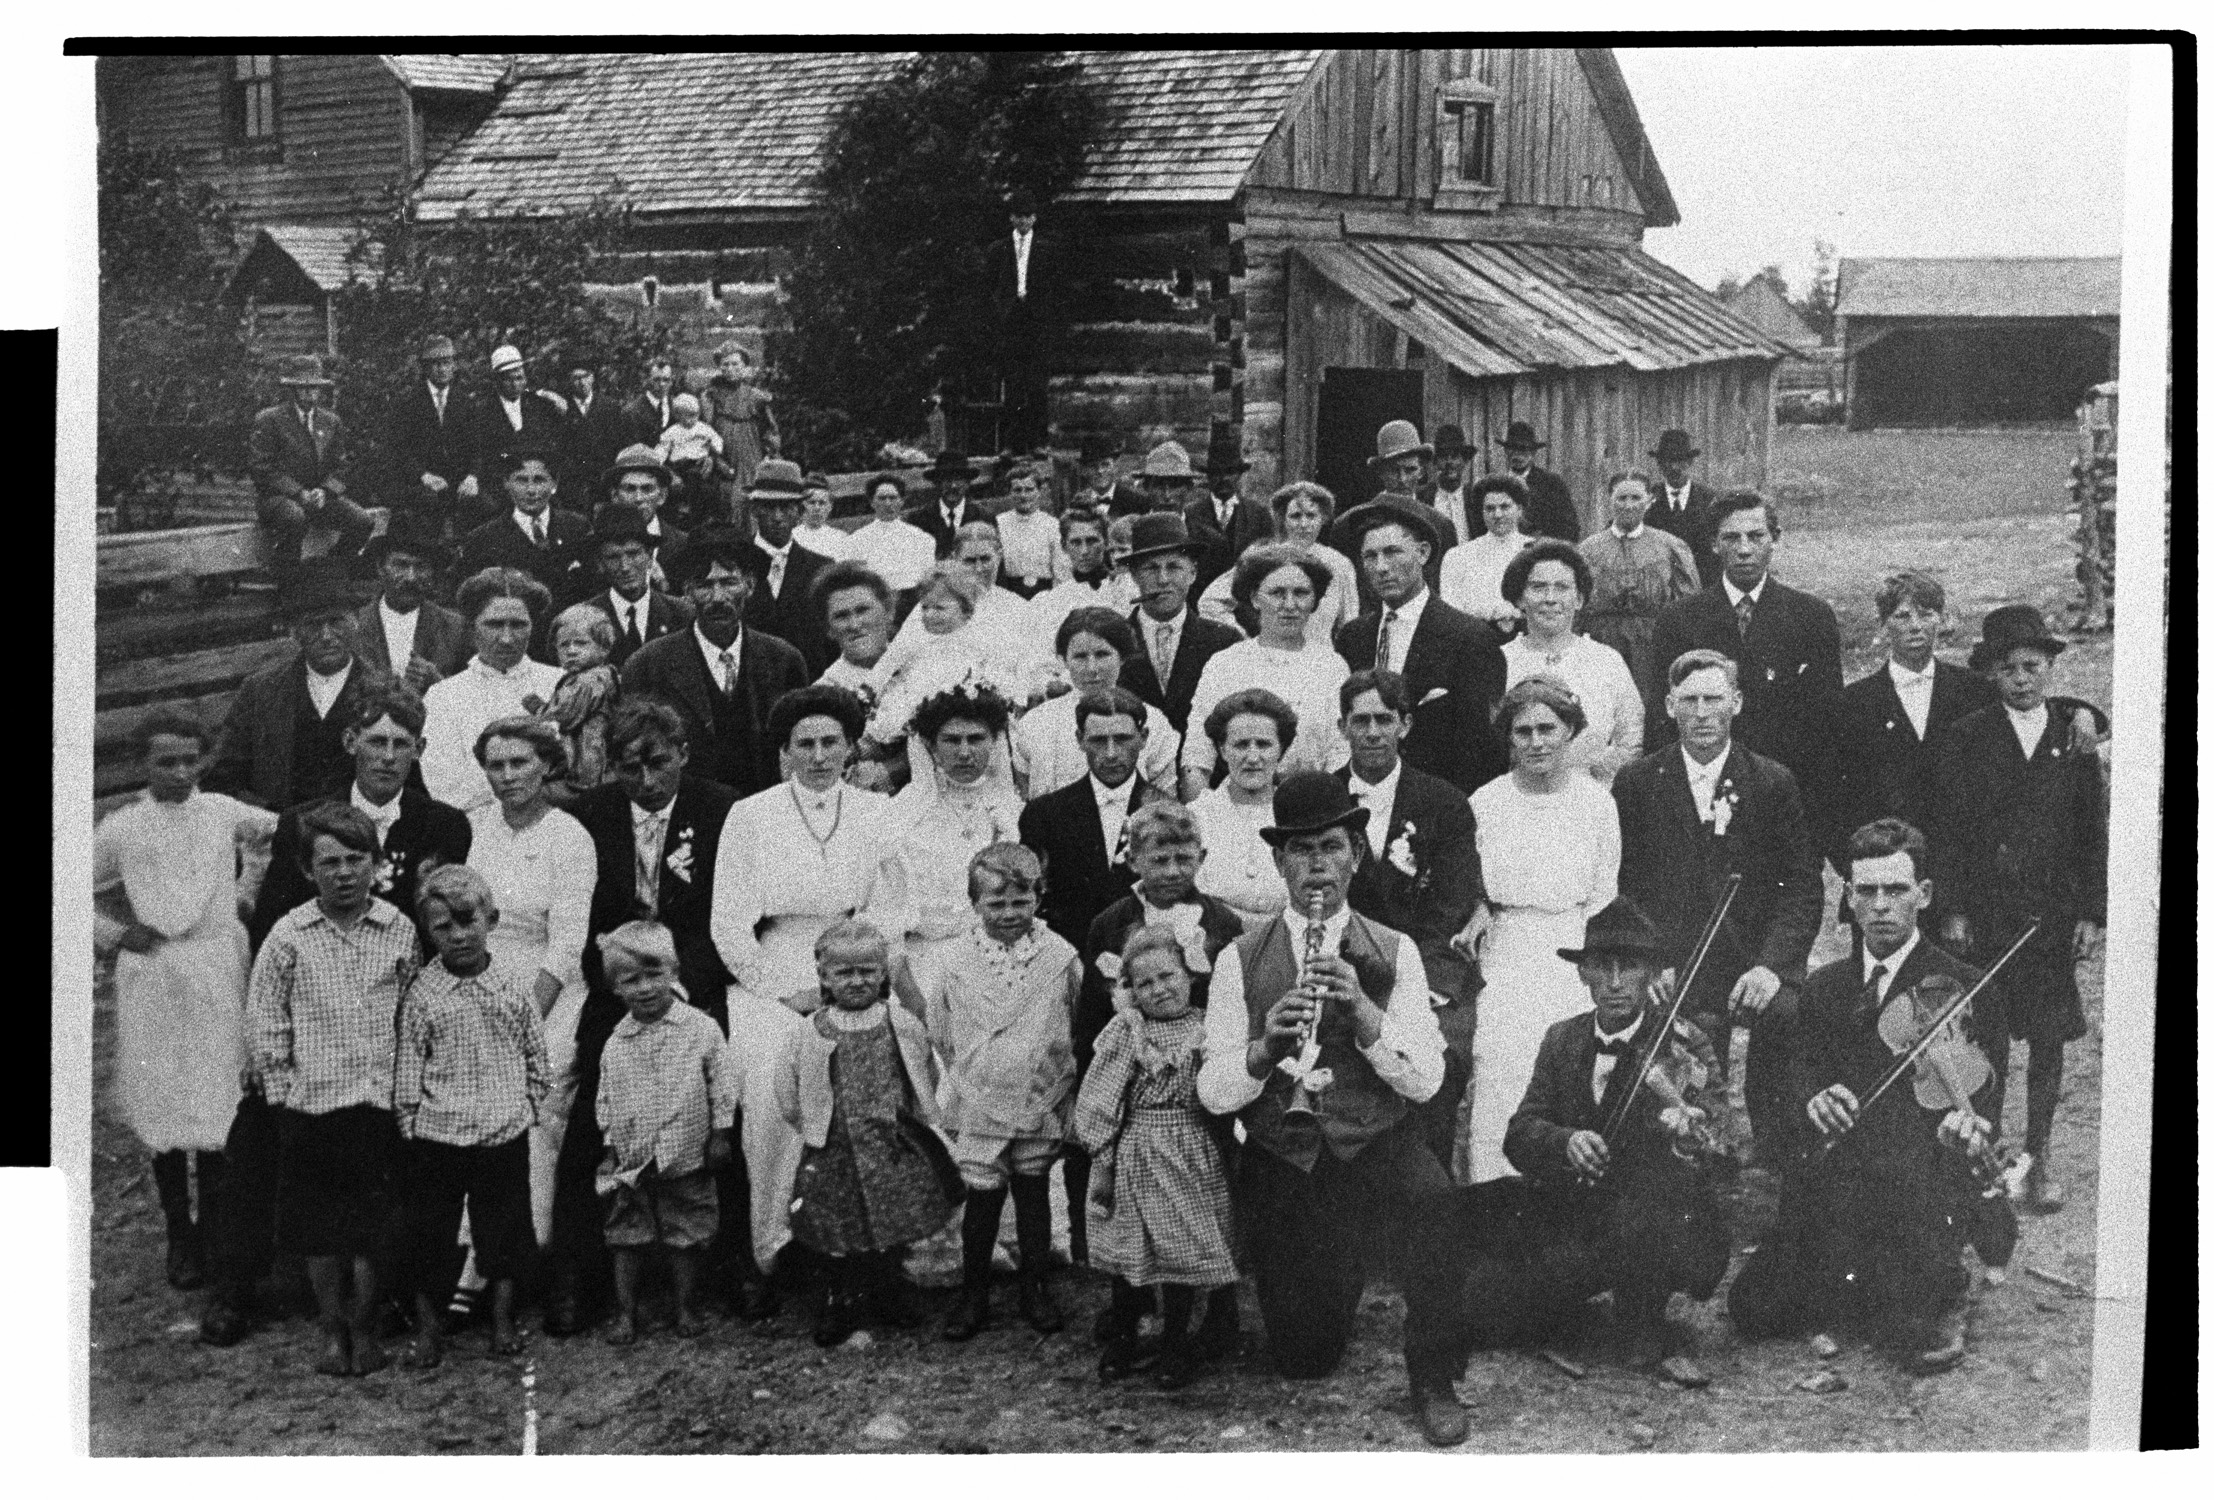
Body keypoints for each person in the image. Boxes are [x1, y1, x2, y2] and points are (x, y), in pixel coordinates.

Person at [1195, 772, 1465, 1446]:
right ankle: (1334, 1270)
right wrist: (1264, 1051)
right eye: (1302, 850)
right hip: (1289, 1153)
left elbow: (1428, 1081)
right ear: (1280, 860)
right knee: (1304, 1359)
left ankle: (1434, 1373)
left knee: (1434, 1202)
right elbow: (1213, 1089)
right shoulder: (1239, 958)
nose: (1318, 865)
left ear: (1354, 855)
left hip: (1372, 1142)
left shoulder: (1394, 949)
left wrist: (1366, 1014)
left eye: (1333, 848)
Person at [1730, 819, 2001, 1373]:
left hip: (1916, 1189)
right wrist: (1813, 1099)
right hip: (1838, 1187)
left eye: (1896, 891)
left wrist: (1964, 1130)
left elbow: (1984, 1105)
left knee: (1906, 1335)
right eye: (1867, 892)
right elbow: (1802, 1076)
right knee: (1752, 1309)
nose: (1881, 906)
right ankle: (1870, 1282)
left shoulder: (1967, 988)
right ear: (1849, 899)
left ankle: (1940, 1279)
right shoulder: (1826, 986)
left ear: (1923, 896)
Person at [1455, 896, 1732, 1383]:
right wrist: (1565, 1142)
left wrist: (1687, 1140)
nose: (1617, 982)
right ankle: (1573, 1305)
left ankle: (1643, 1317)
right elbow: (1520, 1134)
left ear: (1652, 974)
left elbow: (1722, 1147)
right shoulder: (1563, 1039)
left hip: (1658, 1219)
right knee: (1484, 1315)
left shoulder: (1685, 1042)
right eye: (1603, 967)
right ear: (1583, 974)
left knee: (1647, 1220)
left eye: (1631, 967)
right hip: (1580, 1217)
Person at [550, 700, 740, 1334]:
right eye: (628, 767)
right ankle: (582, 1273)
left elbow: (731, 914)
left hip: (692, 979)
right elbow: (578, 915)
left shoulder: (722, 810)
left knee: (714, 1096)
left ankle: (724, 1267)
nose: (646, 780)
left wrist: (682, 983)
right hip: (614, 983)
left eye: (658, 763)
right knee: (587, 1114)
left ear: (683, 753)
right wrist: (621, 979)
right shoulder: (587, 816)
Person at [711, 685, 896, 1300]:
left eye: (831, 743)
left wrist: (861, 971)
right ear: (786, 751)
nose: (819, 756)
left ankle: (879, 1242)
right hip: (777, 967)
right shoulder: (751, 814)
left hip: (860, 963)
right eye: (805, 744)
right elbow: (728, 924)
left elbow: (898, 903)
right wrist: (786, 989)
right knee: (771, 1085)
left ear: (849, 747)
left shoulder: (876, 811)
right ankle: (777, 1242)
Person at [94, 709, 279, 1291]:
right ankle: (181, 1230)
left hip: (218, 963)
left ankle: (221, 1230)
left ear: (204, 759)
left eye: (188, 760)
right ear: (141, 764)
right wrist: (117, 934)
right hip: (154, 972)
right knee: (164, 1095)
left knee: (222, 1091)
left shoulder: (223, 811)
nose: (178, 771)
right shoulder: (122, 827)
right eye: (164, 761)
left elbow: (284, 832)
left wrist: (246, 894)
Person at [1612, 649, 1824, 1153]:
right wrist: (1652, 962)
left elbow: (1800, 886)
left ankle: (1779, 1153)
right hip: (1676, 964)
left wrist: (1772, 966)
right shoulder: (1639, 784)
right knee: (1677, 1045)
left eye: (1714, 698)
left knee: (1789, 1018)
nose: (1702, 712)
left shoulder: (1772, 781)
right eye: (1690, 700)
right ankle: (1698, 1156)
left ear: (1737, 702)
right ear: (1668, 706)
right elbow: (1626, 887)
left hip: (1753, 960)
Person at [1931, 605, 2107, 1213]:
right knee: (1993, 1038)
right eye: (2008, 669)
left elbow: (2091, 829)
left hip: (2051, 917)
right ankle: (1994, 1153)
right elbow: (1949, 831)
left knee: (2050, 1039)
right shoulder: (1970, 737)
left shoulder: (2073, 736)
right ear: (1992, 675)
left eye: (2033, 666)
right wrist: (1952, 908)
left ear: (2052, 667)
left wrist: (2090, 912)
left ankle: (2040, 1153)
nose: (2023, 679)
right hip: (1989, 914)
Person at [245, 802, 420, 1377]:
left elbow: (414, 1012)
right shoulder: (289, 935)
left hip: (376, 1103)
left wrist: (408, 1091)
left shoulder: (398, 929)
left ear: (375, 864)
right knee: (320, 1229)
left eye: (355, 860)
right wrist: (281, 1090)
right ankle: (331, 1328)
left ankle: (365, 1326)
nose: (344, 873)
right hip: (312, 1104)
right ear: (307, 870)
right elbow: (267, 1016)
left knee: (372, 1227)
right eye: (330, 863)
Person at [894, 843, 1082, 1339]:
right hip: (980, 1096)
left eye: (1021, 902)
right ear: (974, 904)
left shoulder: (1061, 958)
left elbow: (1074, 1018)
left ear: (1039, 898)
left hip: (1040, 1096)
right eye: (995, 904)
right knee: (982, 1198)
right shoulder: (956, 960)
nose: (1008, 914)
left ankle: (1035, 1288)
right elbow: (942, 1026)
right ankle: (973, 1293)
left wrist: (1053, 1077)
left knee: (1034, 1192)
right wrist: (975, 1074)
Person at [1450, 676, 1621, 1181]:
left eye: (1548, 728)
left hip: (1574, 947)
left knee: (1571, 1071)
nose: (1537, 742)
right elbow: (1474, 886)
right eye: (1523, 731)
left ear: (1570, 732)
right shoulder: (1486, 802)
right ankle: (1495, 1197)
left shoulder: (1597, 803)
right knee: (1502, 1069)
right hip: (1509, 949)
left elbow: (1604, 895)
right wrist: (1481, 911)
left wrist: (1592, 963)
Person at [1072, 801, 1247, 1270]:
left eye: (1183, 859)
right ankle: (1134, 1292)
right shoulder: (1109, 923)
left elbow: (1231, 1004)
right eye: (1158, 860)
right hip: (1135, 1091)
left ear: (1202, 858)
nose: (1172, 871)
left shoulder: (1222, 925)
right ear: (1133, 861)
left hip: (1199, 1080)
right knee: (1135, 1199)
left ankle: (1211, 1299)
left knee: (1205, 1195)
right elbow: (1091, 1016)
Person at [772, 919, 956, 1347]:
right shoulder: (812, 1029)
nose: (857, 981)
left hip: (888, 1143)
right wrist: (811, 1126)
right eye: (845, 973)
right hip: (835, 1148)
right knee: (838, 1224)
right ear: (824, 977)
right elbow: (788, 1085)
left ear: (882, 973)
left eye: (867, 972)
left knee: (890, 1217)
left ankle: (888, 1291)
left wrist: (915, 1117)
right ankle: (841, 1301)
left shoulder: (899, 1023)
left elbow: (922, 1070)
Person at [393, 863, 550, 1365]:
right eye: (444, 927)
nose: (458, 936)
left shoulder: (511, 987)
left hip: (502, 1129)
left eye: (468, 921)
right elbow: (410, 1061)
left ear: (492, 920)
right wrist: (410, 1119)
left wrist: (528, 1104)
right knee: (431, 1233)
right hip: (439, 1131)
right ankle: (430, 1327)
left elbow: (534, 1054)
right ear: (428, 931)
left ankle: (503, 1319)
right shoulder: (423, 992)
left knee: (503, 1230)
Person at [1075, 924, 1241, 1388]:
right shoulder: (1128, 1032)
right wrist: (1103, 1161)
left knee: (1181, 1251)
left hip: (1191, 1151)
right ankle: (1125, 1336)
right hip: (1137, 1152)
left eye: (1168, 976)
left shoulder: (1208, 1028)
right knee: (1132, 1251)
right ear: (1130, 990)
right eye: (1144, 983)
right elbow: (1101, 1100)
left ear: (1190, 975)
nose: (1159, 989)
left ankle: (1175, 1341)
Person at [1336, 669, 1485, 1163]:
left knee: (1435, 1078)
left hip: (1427, 974)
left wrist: (1411, 983)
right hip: (1346, 971)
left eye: (1384, 719)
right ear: (1343, 727)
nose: (1373, 732)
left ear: (1405, 725)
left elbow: (1453, 902)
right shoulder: (1326, 796)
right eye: (1361, 721)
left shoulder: (1444, 802)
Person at [465, 716, 598, 1252]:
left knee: (536, 1115)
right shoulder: (473, 828)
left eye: (520, 762)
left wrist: (522, 1019)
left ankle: (526, 1247)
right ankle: (471, 1253)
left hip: (550, 989)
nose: (507, 775)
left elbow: (567, 944)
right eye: (495, 765)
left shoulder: (569, 837)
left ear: (546, 765)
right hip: (475, 977)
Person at [1647, 492, 1843, 835]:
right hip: (1701, 796)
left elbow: (1827, 726)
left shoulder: (1811, 617)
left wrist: (1819, 817)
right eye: (1731, 537)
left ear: (1775, 539)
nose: (1744, 549)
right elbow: (1661, 722)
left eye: (1755, 536)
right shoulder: (1679, 620)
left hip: (1784, 799)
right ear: (1713, 544)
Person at [594, 920, 739, 1344]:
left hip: (686, 1152)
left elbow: (722, 1084)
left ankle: (686, 1307)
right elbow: (606, 1098)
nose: (645, 988)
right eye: (631, 980)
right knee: (626, 1233)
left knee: (686, 1232)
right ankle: (626, 1313)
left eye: (654, 974)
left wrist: (720, 1133)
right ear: (616, 988)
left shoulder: (700, 1029)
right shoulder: (616, 1041)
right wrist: (608, 1148)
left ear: (674, 974)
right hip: (632, 1155)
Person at [249, 678, 473, 950]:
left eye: (400, 744)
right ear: (350, 741)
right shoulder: (303, 822)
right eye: (377, 742)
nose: (388, 757)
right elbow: (271, 924)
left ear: (419, 749)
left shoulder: (445, 826)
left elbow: (446, 928)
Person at [621, 528, 812, 801]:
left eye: (729, 583)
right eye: (704, 586)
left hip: (766, 810)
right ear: (687, 592)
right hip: (691, 813)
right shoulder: (648, 665)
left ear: (749, 585)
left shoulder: (784, 660)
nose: (719, 597)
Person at [1333, 504, 1506, 795]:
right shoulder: (1353, 637)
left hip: (1439, 804)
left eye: (1392, 552)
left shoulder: (1471, 639)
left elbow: (1482, 751)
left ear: (1423, 553)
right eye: (1370, 556)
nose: (1381, 567)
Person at [207, 561, 377, 811]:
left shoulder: (382, 689)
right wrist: (266, 814)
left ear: (355, 623)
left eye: (336, 621)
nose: (327, 636)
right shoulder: (262, 690)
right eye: (314, 625)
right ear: (294, 632)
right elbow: (224, 775)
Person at [1182, 545, 1349, 796]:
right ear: (1254, 597)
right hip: (1237, 806)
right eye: (1277, 593)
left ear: (1315, 600)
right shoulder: (1226, 664)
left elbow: (1340, 753)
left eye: (1301, 593)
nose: (1289, 604)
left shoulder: (1331, 666)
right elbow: (1197, 755)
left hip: (1309, 806)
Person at [878, 687, 1027, 968]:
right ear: (932, 747)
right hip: (925, 959)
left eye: (976, 739)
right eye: (951, 740)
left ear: (994, 742)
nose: (964, 752)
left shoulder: (1014, 810)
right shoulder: (903, 814)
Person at [1019, 687, 1163, 949]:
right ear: (1080, 739)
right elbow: (1033, 900)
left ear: (1143, 738)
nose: (1110, 753)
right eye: (1098, 740)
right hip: (1068, 956)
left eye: (1122, 739)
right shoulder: (1044, 815)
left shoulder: (1167, 812)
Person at [419, 568, 566, 814]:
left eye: (518, 625)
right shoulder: (443, 696)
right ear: (472, 627)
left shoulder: (561, 684)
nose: (507, 638)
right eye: (494, 625)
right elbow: (444, 786)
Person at [1497, 540, 1645, 785]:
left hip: (1593, 799)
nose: (1550, 598)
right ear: (1520, 598)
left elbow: (1632, 738)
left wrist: (1591, 785)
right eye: (1538, 587)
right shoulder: (1500, 660)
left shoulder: (1606, 660)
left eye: (1562, 587)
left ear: (1579, 599)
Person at [1012, 609, 1178, 801]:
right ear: (1064, 660)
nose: (1092, 668)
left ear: (1122, 657)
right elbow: (1024, 795)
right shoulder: (1036, 723)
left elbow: (1165, 802)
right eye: (1080, 657)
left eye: (1102, 654)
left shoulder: (1152, 721)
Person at [1578, 471, 1703, 708]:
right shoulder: (1588, 550)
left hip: (1651, 645)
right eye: (1621, 498)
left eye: (1636, 498)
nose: (1628, 505)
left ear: (1649, 501)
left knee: (1650, 706)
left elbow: (1689, 606)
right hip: (1602, 641)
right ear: (1609, 500)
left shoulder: (1669, 547)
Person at [1115, 513, 1242, 736]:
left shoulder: (1224, 641)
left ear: (1192, 573)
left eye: (1173, 567)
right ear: (1134, 576)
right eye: (1151, 569)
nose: (1163, 579)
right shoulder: (1114, 641)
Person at [248, 353, 375, 576]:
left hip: (319, 499)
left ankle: (333, 572)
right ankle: (288, 579)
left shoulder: (330, 421)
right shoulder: (270, 420)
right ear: (293, 390)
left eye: (314, 386)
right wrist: (298, 493)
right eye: (303, 386)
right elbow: (262, 469)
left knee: (362, 521)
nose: (309, 391)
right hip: (278, 500)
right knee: (295, 517)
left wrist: (325, 491)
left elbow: (342, 467)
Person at [1196, 481, 1359, 648]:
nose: (1304, 524)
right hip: (1270, 660)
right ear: (1283, 519)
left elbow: (1349, 624)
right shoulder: (1265, 556)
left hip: (1319, 662)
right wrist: (1242, 639)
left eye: (1311, 516)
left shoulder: (1339, 563)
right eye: (1295, 516)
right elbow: (1210, 601)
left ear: (1323, 519)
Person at [1188, 688, 1299, 930]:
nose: (1252, 757)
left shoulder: (1299, 815)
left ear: (1281, 749)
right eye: (1240, 745)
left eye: (1263, 744)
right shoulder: (1196, 816)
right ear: (1222, 749)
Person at [456, 448, 593, 609]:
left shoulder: (577, 527)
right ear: (506, 483)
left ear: (554, 483)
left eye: (539, 480)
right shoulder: (482, 538)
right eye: (521, 480)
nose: (531, 490)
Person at [355, 515, 472, 690]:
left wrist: (439, 684)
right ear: (380, 568)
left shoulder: (455, 627)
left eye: (421, 567)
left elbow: (471, 696)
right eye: (401, 565)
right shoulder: (354, 624)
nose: (411, 577)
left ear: (432, 572)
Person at [741, 459, 835, 675]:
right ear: (754, 510)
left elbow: (829, 643)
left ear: (799, 512)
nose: (777, 517)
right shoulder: (735, 563)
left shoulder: (821, 569)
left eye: (786, 507)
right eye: (768, 506)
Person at [581, 505, 692, 671]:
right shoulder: (585, 618)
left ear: (649, 556)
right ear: (600, 563)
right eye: (613, 557)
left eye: (633, 554)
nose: (625, 566)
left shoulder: (683, 614)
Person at [988, 189, 1056, 451]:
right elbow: (989, 288)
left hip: (1036, 324)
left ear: (1035, 218)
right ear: (1011, 219)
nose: (1023, 222)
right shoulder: (998, 250)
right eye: (1018, 216)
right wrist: (999, 313)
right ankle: (1011, 444)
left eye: (1028, 216)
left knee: (1037, 385)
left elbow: (1053, 290)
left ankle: (1039, 443)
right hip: (1010, 323)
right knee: (1013, 385)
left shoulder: (1047, 250)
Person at [386, 334, 477, 529]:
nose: (442, 369)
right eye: (436, 364)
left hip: (457, 481)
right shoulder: (408, 403)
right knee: (427, 507)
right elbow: (398, 449)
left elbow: (479, 446)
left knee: (485, 505)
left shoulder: (465, 401)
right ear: (425, 367)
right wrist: (424, 476)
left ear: (454, 365)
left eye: (446, 362)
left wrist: (472, 477)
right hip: (422, 481)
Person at [470, 346, 570, 502]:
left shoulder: (538, 404)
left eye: (519, 378)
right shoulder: (483, 410)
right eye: (508, 379)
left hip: (535, 478)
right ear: (497, 381)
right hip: (499, 484)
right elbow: (479, 451)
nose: (515, 384)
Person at [546, 604, 622, 805]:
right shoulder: (586, 676)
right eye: (564, 645)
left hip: (590, 764)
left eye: (580, 643)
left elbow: (564, 714)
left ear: (604, 648)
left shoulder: (589, 681)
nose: (571, 651)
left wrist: (536, 708)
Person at [1436, 474, 1532, 634]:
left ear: (1519, 509)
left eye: (1505, 507)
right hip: (1475, 640)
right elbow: (1450, 611)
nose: (1497, 515)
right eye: (1490, 508)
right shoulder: (1459, 556)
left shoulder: (1534, 551)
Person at [1184, 427, 1273, 590]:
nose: (1223, 479)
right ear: (1208, 476)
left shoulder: (1259, 514)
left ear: (1239, 475)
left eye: (1230, 472)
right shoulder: (1191, 514)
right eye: (1216, 473)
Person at [1025, 509, 1122, 643]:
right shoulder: (1053, 600)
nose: (1084, 551)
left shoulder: (1122, 588)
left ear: (1106, 543)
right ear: (1064, 546)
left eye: (1092, 541)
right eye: (1076, 542)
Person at [701, 342, 779, 499]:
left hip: (751, 457)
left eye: (735, 364)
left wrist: (769, 454)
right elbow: (705, 431)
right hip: (723, 457)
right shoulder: (711, 396)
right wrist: (715, 459)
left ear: (744, 365)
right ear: (720, 367)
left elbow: (770, 430)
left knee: (751, 497)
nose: (730, 369)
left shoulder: (757, 397)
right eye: (725, 364)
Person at [599, 444, 690, 577]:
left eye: (647, 489)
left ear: (662, 496)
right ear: (615, 496)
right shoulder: (598, 544)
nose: (638, 498)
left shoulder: (683, 544)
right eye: (629, 489)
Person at [1645, 429, 1721, 589]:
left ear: (1690, 462)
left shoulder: (1710, 500)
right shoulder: (1648, 500)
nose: (1674, 467)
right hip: (1661, 589)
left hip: (1703, 589)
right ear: (1659, 464)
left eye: (1680, 460)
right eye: (1667, 461)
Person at [812, 562, 898, 696]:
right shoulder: (823, 694)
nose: (855, 625)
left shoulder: (921, 665)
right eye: (841, 616)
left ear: (889, 612)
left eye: (863, 610)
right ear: (829, 628)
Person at [848, 474, 938, 595]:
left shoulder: (921, 538)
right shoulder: (857, 540)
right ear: (871, 502)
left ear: (901, 501)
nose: (888, 503)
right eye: (882, 498)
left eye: (893, 498)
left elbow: (927, 580)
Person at [1494, 420, 1581, 543]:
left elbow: (1571, 530)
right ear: (1505, 451)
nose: (1517, 455)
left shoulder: (1552, 484)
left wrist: (1541, 541)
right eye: (1513, 449)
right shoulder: (1495, 484)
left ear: (1533, 452)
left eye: (1523, 449)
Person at [990, 462, 1065, 601]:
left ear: (1039, 491)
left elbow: (1060, 571)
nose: (1023, 496)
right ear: (1010, 492)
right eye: (1017, 490)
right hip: (1008, 595)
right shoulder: (999, 523)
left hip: (1045, 596)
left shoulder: (1053, 525)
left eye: (1029, 489)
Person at [558, 364, 631, 503]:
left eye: (585, 376)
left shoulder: (610, 406)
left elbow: (620, 444)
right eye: (576, 378)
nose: (581, 382)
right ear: (569, 381)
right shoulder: (562, 407)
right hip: (574, 482)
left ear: (592, 378)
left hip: (603, 479)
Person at [656, 392, 730, 527]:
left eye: (694, 415)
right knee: (687, 483)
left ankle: (700, 512)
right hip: (679, 465)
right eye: (687, 416)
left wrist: (715, 447)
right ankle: (689, 510)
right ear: (678, 415)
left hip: (699, 463)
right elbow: (663, 447)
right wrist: (659, 460)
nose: (691, 420)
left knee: (702, 483)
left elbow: (716, 439)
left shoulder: (703, 428)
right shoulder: (673, 431)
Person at [911, 449, 985, 559]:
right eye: (947, 480)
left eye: (958, 479)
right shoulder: (919, 520)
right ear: (937, 483)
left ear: (967, 484)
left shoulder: (983, 517)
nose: (953, 486)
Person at [1416, 423, 1481, 547]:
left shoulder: (1476, 498)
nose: (1450, 462)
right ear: (1435, 462)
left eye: (1455, 456)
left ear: (1464, 461)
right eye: (1444, 457)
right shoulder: (1422, 498)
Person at [1074, 432, 1148, 520]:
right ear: (1084, 470)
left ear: (1115, 466)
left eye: (1105, 465)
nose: (1100, 471)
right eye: (1093, 466)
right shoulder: (1078, 503)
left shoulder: (1137, 501)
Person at [620, 357, 683, 453]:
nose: (662, 384)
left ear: (671, 382)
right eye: (656, 380)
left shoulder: (679, 407)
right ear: (647, 380)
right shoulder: (631, 412)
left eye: (666, 380)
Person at [1365, 419, 1431, 508]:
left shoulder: (1432, 514)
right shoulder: (1369, 517)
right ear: (1381, 473)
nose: (1402, 479)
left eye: (1410, 470)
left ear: (1421, 471)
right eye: (1393, 471)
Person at [793, 474, 852, 562]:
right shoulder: (793, 536)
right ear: (802, 505)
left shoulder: (840, 537)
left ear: (830, 507)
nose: (817, 508)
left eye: (822, 503)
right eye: (812, 503)